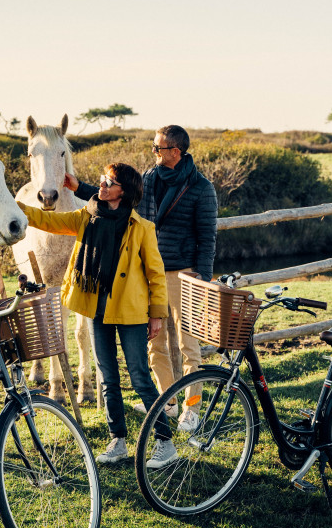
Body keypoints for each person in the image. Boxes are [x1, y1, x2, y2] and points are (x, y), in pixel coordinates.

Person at [17, 162, 177, 468]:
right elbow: (47, 221)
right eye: (102, 179)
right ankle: (118, 440)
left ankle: (165, 442)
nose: (101, 185)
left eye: (109, 182)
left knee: (141, 378)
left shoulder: (142, 229)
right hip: (96, 309)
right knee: (108, 379)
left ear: (124, 192)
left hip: (130, 313)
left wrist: (157, 315)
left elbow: (156, 275)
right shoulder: (86, 216)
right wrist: (16, 207)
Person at [66, 125, 218, 433]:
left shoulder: (201, 188)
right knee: (154, 345)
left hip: (183, 273)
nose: (154, 152)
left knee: (189, 346)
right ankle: (168, 402)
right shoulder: (148, 178)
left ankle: (192, 409)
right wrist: (79, 187)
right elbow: (117, 198)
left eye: (159, 148)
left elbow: (207, 238)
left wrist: (202, 278)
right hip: (146, 274)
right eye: (154, 148)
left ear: (176, 152)